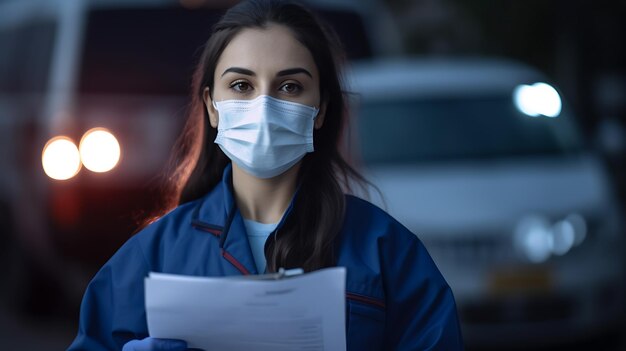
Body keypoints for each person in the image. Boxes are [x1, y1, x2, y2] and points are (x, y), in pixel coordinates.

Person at [68, 0, 464, 350]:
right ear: (211, 106)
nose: (263, 107)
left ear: (321, 108)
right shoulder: (151, 256)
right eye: (241, 85)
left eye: (290, 86)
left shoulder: (386, 250)